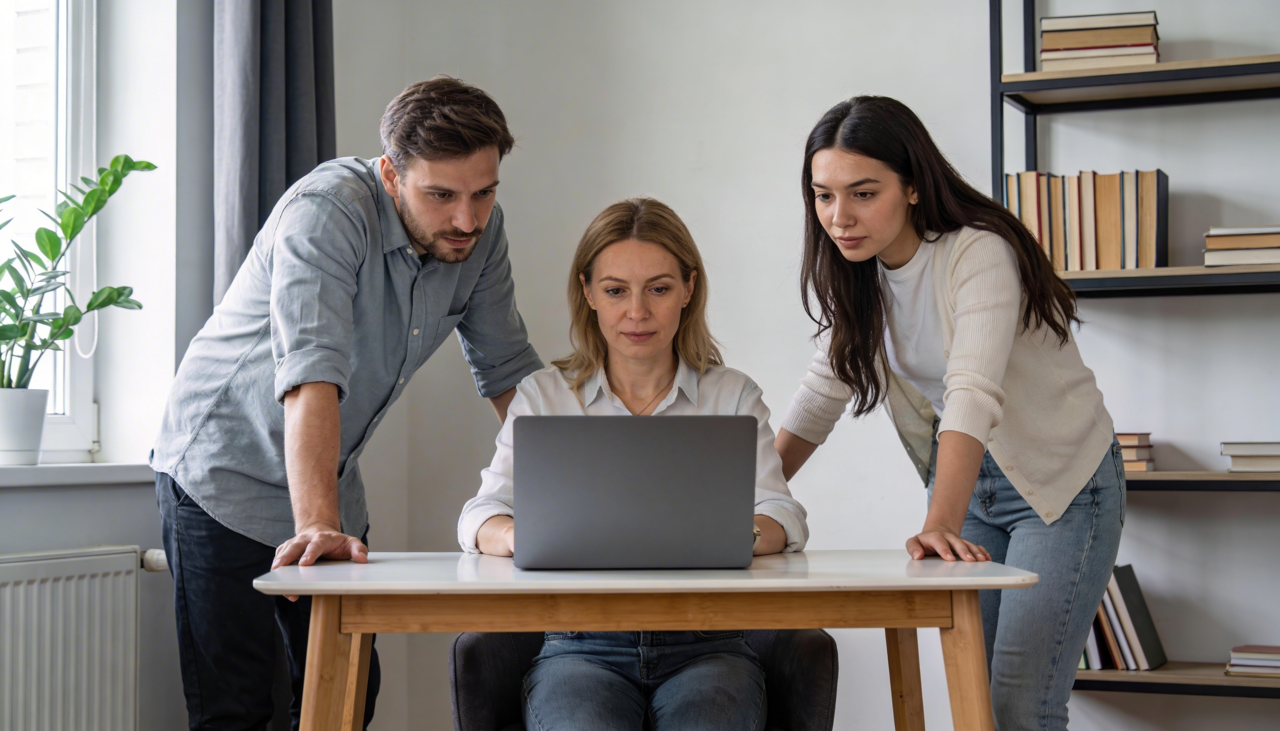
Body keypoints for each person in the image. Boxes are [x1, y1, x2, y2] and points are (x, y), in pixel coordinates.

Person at [150, 77, 543, 730]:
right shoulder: (328, 211)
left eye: (484, 192)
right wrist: (316, 527)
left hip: (328, 479)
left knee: (349, 696)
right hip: (220, 471)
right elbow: (313, 375)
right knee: (236, 709)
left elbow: (510, 374)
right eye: (441, 195)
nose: (466, 220)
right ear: (391, 175)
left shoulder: (479, 234)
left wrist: (575, 500)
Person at [774, 96, 1123, 730]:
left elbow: (972, 392)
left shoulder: (977, 253)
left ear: (912, 186)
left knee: (1021, 708)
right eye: (823, 196)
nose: (839, 217)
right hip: (971, 489)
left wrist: (939, 522)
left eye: (863, 193)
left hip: (1061, 487)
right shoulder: (859, 275)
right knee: (975, 702)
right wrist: (743, 501)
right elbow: (820, 396)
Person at [458, 198, 808, 731]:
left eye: (659, 289)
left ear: (688, 289)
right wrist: (518, 535)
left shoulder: (732, 395)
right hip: (580, 648)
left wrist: (740, 535)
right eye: (616, 290)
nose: (637, 312)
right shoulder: (544, 396)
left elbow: (782, 513)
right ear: (588, 292)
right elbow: (480, 515)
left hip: (709, 645)